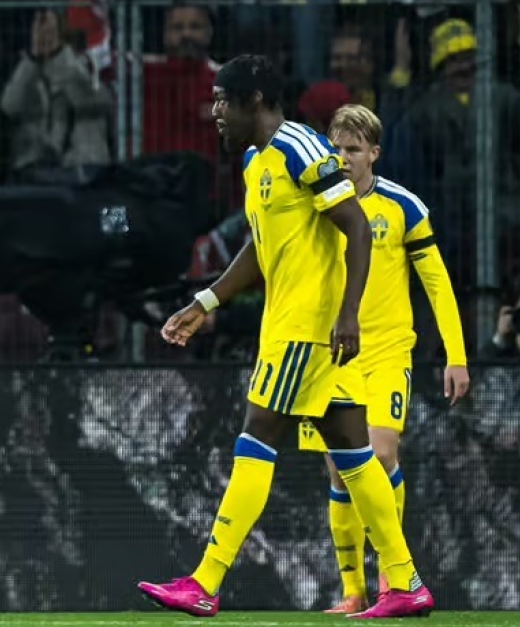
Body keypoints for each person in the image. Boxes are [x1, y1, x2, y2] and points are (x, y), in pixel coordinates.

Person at [135, 55, 433, 619]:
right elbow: (260, 247)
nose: (214, 111)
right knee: (354, 453)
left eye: (223, 100)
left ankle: (205, 581)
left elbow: (357, 227)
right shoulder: (257, 161)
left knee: (257, 436)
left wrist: (348, 315)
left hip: (306, 329)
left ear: (254, 101)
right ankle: (406, 582)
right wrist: (206, 302)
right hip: (294, 326)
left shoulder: (301, 148)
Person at [301, 104, 469, 614]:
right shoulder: (315, 204)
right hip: (330, 354)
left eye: (354, 149)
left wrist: (456, 356)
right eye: (336, 148)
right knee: (339, 472)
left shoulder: (402, 207)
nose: (343, 157)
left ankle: (393, 580)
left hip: (387, 351)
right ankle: (352, 591)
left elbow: (436, 283)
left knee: (380, 454)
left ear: (374, 152)